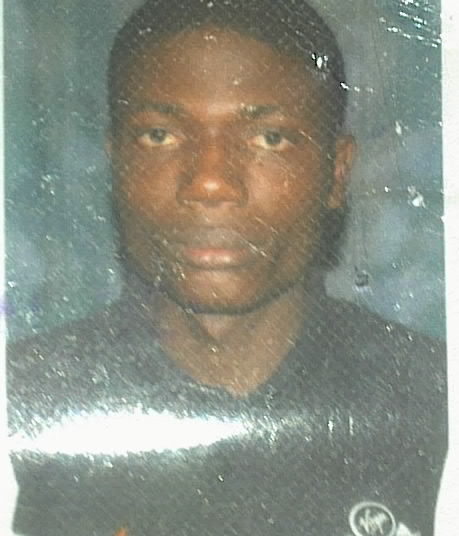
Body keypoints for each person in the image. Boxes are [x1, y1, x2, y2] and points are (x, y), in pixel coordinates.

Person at [8, 1, 447, 535]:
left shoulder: (434, 404)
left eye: (269, 138)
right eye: (159, 135)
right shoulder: (23, 406)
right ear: (116, 162)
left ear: (336, 172)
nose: (210, 182)